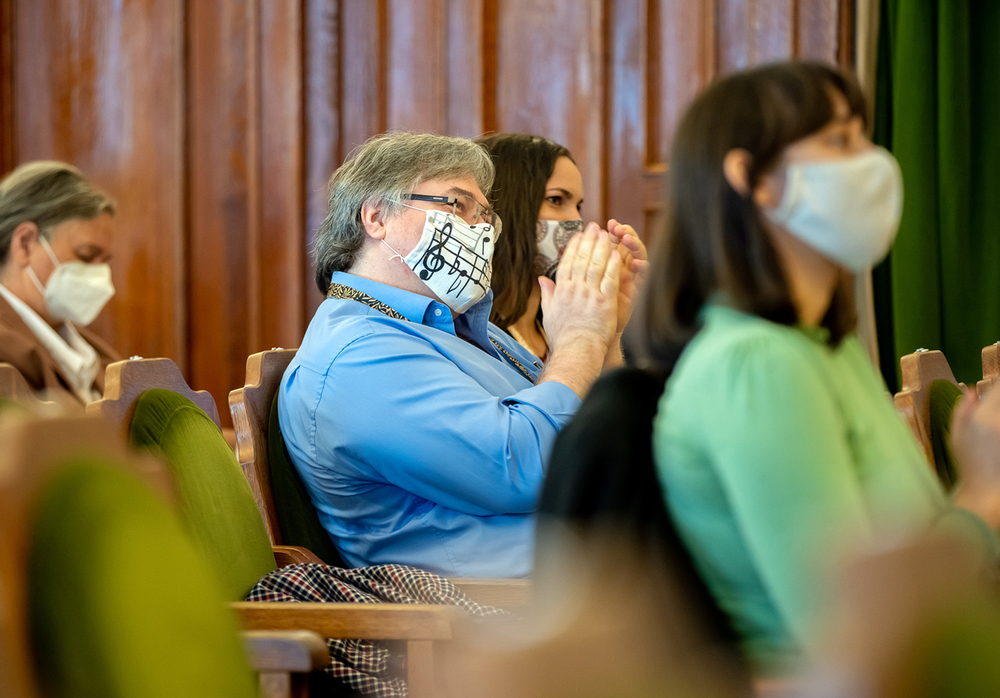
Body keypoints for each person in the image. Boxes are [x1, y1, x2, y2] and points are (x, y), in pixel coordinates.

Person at [638, 61, 1000, 671]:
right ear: (753, 178)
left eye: (864, 136)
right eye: (839, 141)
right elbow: (851, 631)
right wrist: (985, 494)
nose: (874, 163)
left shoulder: (822, 347)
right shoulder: (753, 365)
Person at [279, 131, 645, 578]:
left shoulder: (460, 327)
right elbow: (525, 468)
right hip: (502, 617)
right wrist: (581, 335)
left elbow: (590, 436)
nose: (479, 230)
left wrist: (607, 332)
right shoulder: (356, 355)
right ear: (376, 216)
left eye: (486, 215)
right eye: (457, 205)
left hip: (599, 567)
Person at [478, 133, 642, 362]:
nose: (576, 222)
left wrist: (611, 330)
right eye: (556, 200)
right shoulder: (473, 334)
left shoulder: (560, 318)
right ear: (507, 205)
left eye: (578, 206)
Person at [0, 161, 120, 404]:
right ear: (25, 243)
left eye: (105, 261)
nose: (100, 276)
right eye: (86, 255)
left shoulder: (100, 354)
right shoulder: (6, 349)